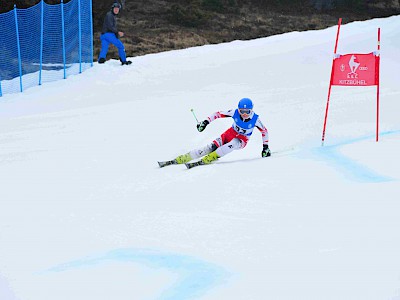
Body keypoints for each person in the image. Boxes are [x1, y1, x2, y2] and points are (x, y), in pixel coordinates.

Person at [168, 98, 271, 166]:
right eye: (241, 111)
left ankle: (211, 158)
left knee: (234, 143)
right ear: (238, 110)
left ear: (251, 110)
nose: (244, 114)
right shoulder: (233, 112)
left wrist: (265, 148)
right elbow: (217, 114)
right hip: (229, 134)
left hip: (242, 140)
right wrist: (205, 122)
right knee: (210, 147)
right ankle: (185, 157)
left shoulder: (255, 119)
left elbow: (264, 132)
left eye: (247, 112)